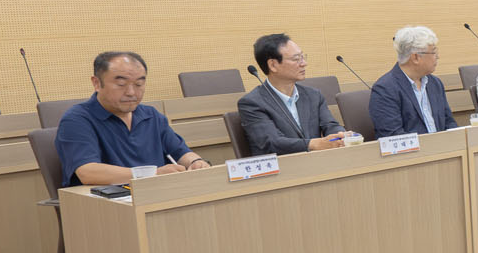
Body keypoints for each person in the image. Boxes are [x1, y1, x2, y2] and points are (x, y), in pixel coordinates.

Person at [56, 50, 208, 186]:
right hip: (108, 202)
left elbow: (180, 152)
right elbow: (88, 172)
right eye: (121, 84)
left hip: (156, 193)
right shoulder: (77, 120)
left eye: (139, 84)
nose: (131, 92)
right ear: (96, 83)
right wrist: (153, 174)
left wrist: (196, 162)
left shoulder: (151, 115)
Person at [237, 32, 350, 155]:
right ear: (273, 65)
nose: (304, 63)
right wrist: (313, 144)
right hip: (282, 165)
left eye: (303, 57)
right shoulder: (252, 103)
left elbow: (330, 125)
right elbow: (271, 143)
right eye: (296, 59)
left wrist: (340, 135)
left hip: (317, 162)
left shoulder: (313, 95)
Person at [369, 25, 458, 138]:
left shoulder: (435, 83)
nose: (437, 57)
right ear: (415, 57)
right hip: (414, 149)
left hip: (443, 147)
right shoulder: (385, 89)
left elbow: (449, 123)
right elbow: (393, 136)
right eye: (433, 52)